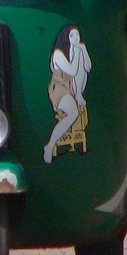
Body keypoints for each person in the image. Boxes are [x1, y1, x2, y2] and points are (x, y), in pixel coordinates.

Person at [43, 24, 92, 163]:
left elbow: (87, 67)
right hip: (60, 89)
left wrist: (83, 50)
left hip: (73, 88)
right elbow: (72, 71)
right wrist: (77, 54)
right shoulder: (59, 54)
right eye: (72, 35)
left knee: (83, 68)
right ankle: (50, 145)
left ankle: (78, 95)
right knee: (73, 113)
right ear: (66, 38)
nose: (76, 38)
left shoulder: (76, 50)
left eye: (77, 35)